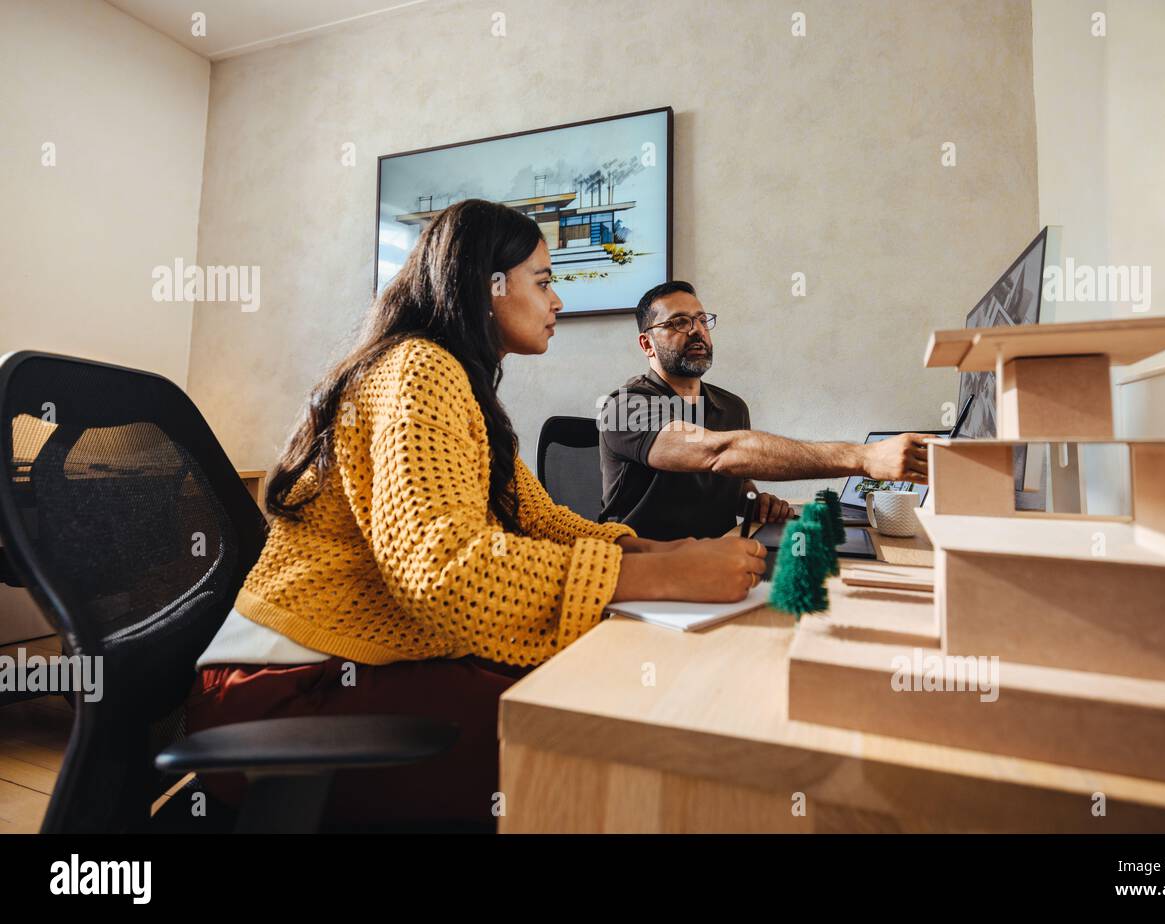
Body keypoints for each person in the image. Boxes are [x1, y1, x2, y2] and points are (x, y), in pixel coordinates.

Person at [185, 201, 766, 827]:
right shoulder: (415, 369)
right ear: (486, 284)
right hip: (283, 693)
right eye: (543, 282)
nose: (558, 302)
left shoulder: (460, 386)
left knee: (594, 690)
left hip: (363, 664)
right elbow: (447, 569)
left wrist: (657, 553)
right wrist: (666, 577)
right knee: (584, 731)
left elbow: (544, 521)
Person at [598, 281, 930, 541]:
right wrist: (864, 458)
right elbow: (720, 453)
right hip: (646, 569)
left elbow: (734, 480)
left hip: (723, 555)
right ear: (647, 344)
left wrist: (754, 501)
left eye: (701, 320)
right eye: (678, 322)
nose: (696, 330)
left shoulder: (731, 406)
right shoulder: (626, 407)